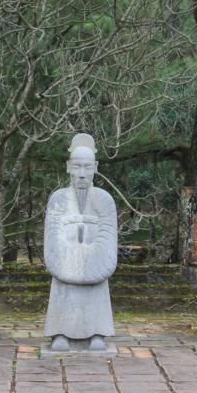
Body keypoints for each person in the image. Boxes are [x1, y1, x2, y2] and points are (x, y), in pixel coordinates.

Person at [43, 133, 117, 352]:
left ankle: (97, 332)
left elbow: (107, 238)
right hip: (65, 262)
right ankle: (60, 332)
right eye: (77, 167)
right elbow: (53, 237)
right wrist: (71, 254)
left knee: (97, 287)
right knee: (63, 287)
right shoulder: (58, 199)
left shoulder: (104, 199)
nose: (82, 174)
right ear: (69, 167)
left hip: (95, 261)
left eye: (86, 167)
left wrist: (89, 256)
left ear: (95, 167)